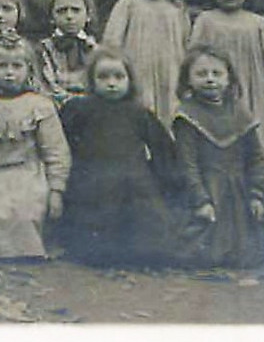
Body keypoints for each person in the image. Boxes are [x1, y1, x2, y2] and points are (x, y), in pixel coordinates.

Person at [57, 47, 178, 268]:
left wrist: (162, 179)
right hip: (92, 178)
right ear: (92, 81)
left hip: (132, 180)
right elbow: (62, 142)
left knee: (144, 229)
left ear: (130, 80)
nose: (111, 83)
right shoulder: (79, 109)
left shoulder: (139, 113)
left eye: (119, 77)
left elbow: (163, 148)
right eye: (103, 77)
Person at [0, 35, 70, 260]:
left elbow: (55, 152)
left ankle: (29, 253)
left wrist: (56, 190)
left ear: (29, 69)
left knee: (25, 210)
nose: (9, 72)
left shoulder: (40, 105)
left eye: (17, 66)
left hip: (27, 173)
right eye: (1, 66)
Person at [172, 46, 264, 268]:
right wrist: (201, 200)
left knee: (257, 245)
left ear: (229, 78)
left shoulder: (240, 112)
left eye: (217, 73)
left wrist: (257, 193)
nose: (210, 79)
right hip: (209, 188)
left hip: (240, 189)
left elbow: (256, 157)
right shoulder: (187, 116)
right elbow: (187, 164)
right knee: (204, 250)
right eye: (201, 74)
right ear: (188, 80)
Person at [188, 0, 264, 167]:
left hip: (252, 88)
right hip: (217, 87)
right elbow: (193, 55)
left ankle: (258, 180)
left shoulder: (257, 22)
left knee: (254, 129)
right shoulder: (206, 20)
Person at [102, 0, 189, 129]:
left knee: (170, 116)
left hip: (170, 75)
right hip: (137, 71)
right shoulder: (129, 3)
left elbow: (185, 45)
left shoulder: (177, 8)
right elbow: (111, 42)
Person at [37, 0, 99, 106]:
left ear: (88, 15)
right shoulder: (43, 49)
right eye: (62, 11)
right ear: (51, 17)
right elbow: (46, 84)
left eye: (76, 10)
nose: (69, 16)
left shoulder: (95, 49)